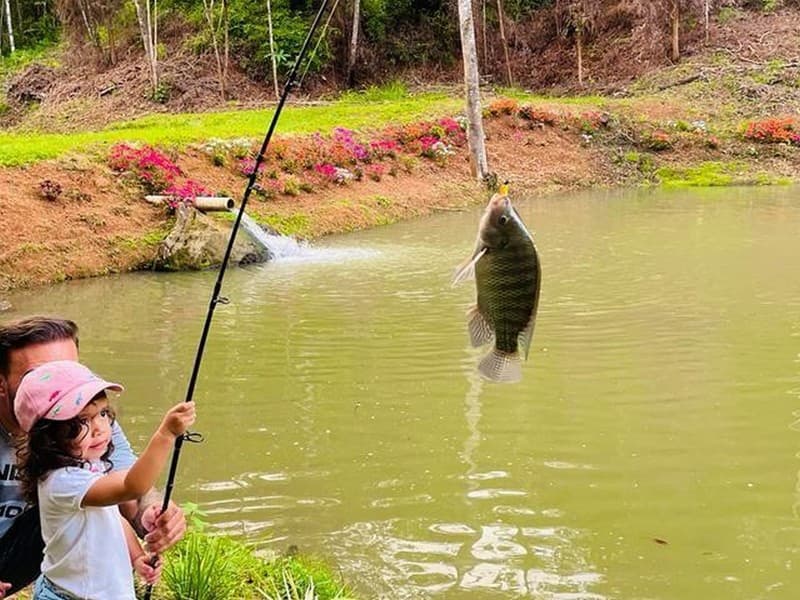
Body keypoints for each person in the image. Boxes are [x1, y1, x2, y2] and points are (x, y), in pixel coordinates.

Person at [0, 316, 187, 596]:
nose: (61, 391)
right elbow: (128, 485)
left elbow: (126, 492)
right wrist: (164, 435)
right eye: (39, 376)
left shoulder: (88, 426)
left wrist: (155, 512)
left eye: (70, 373)